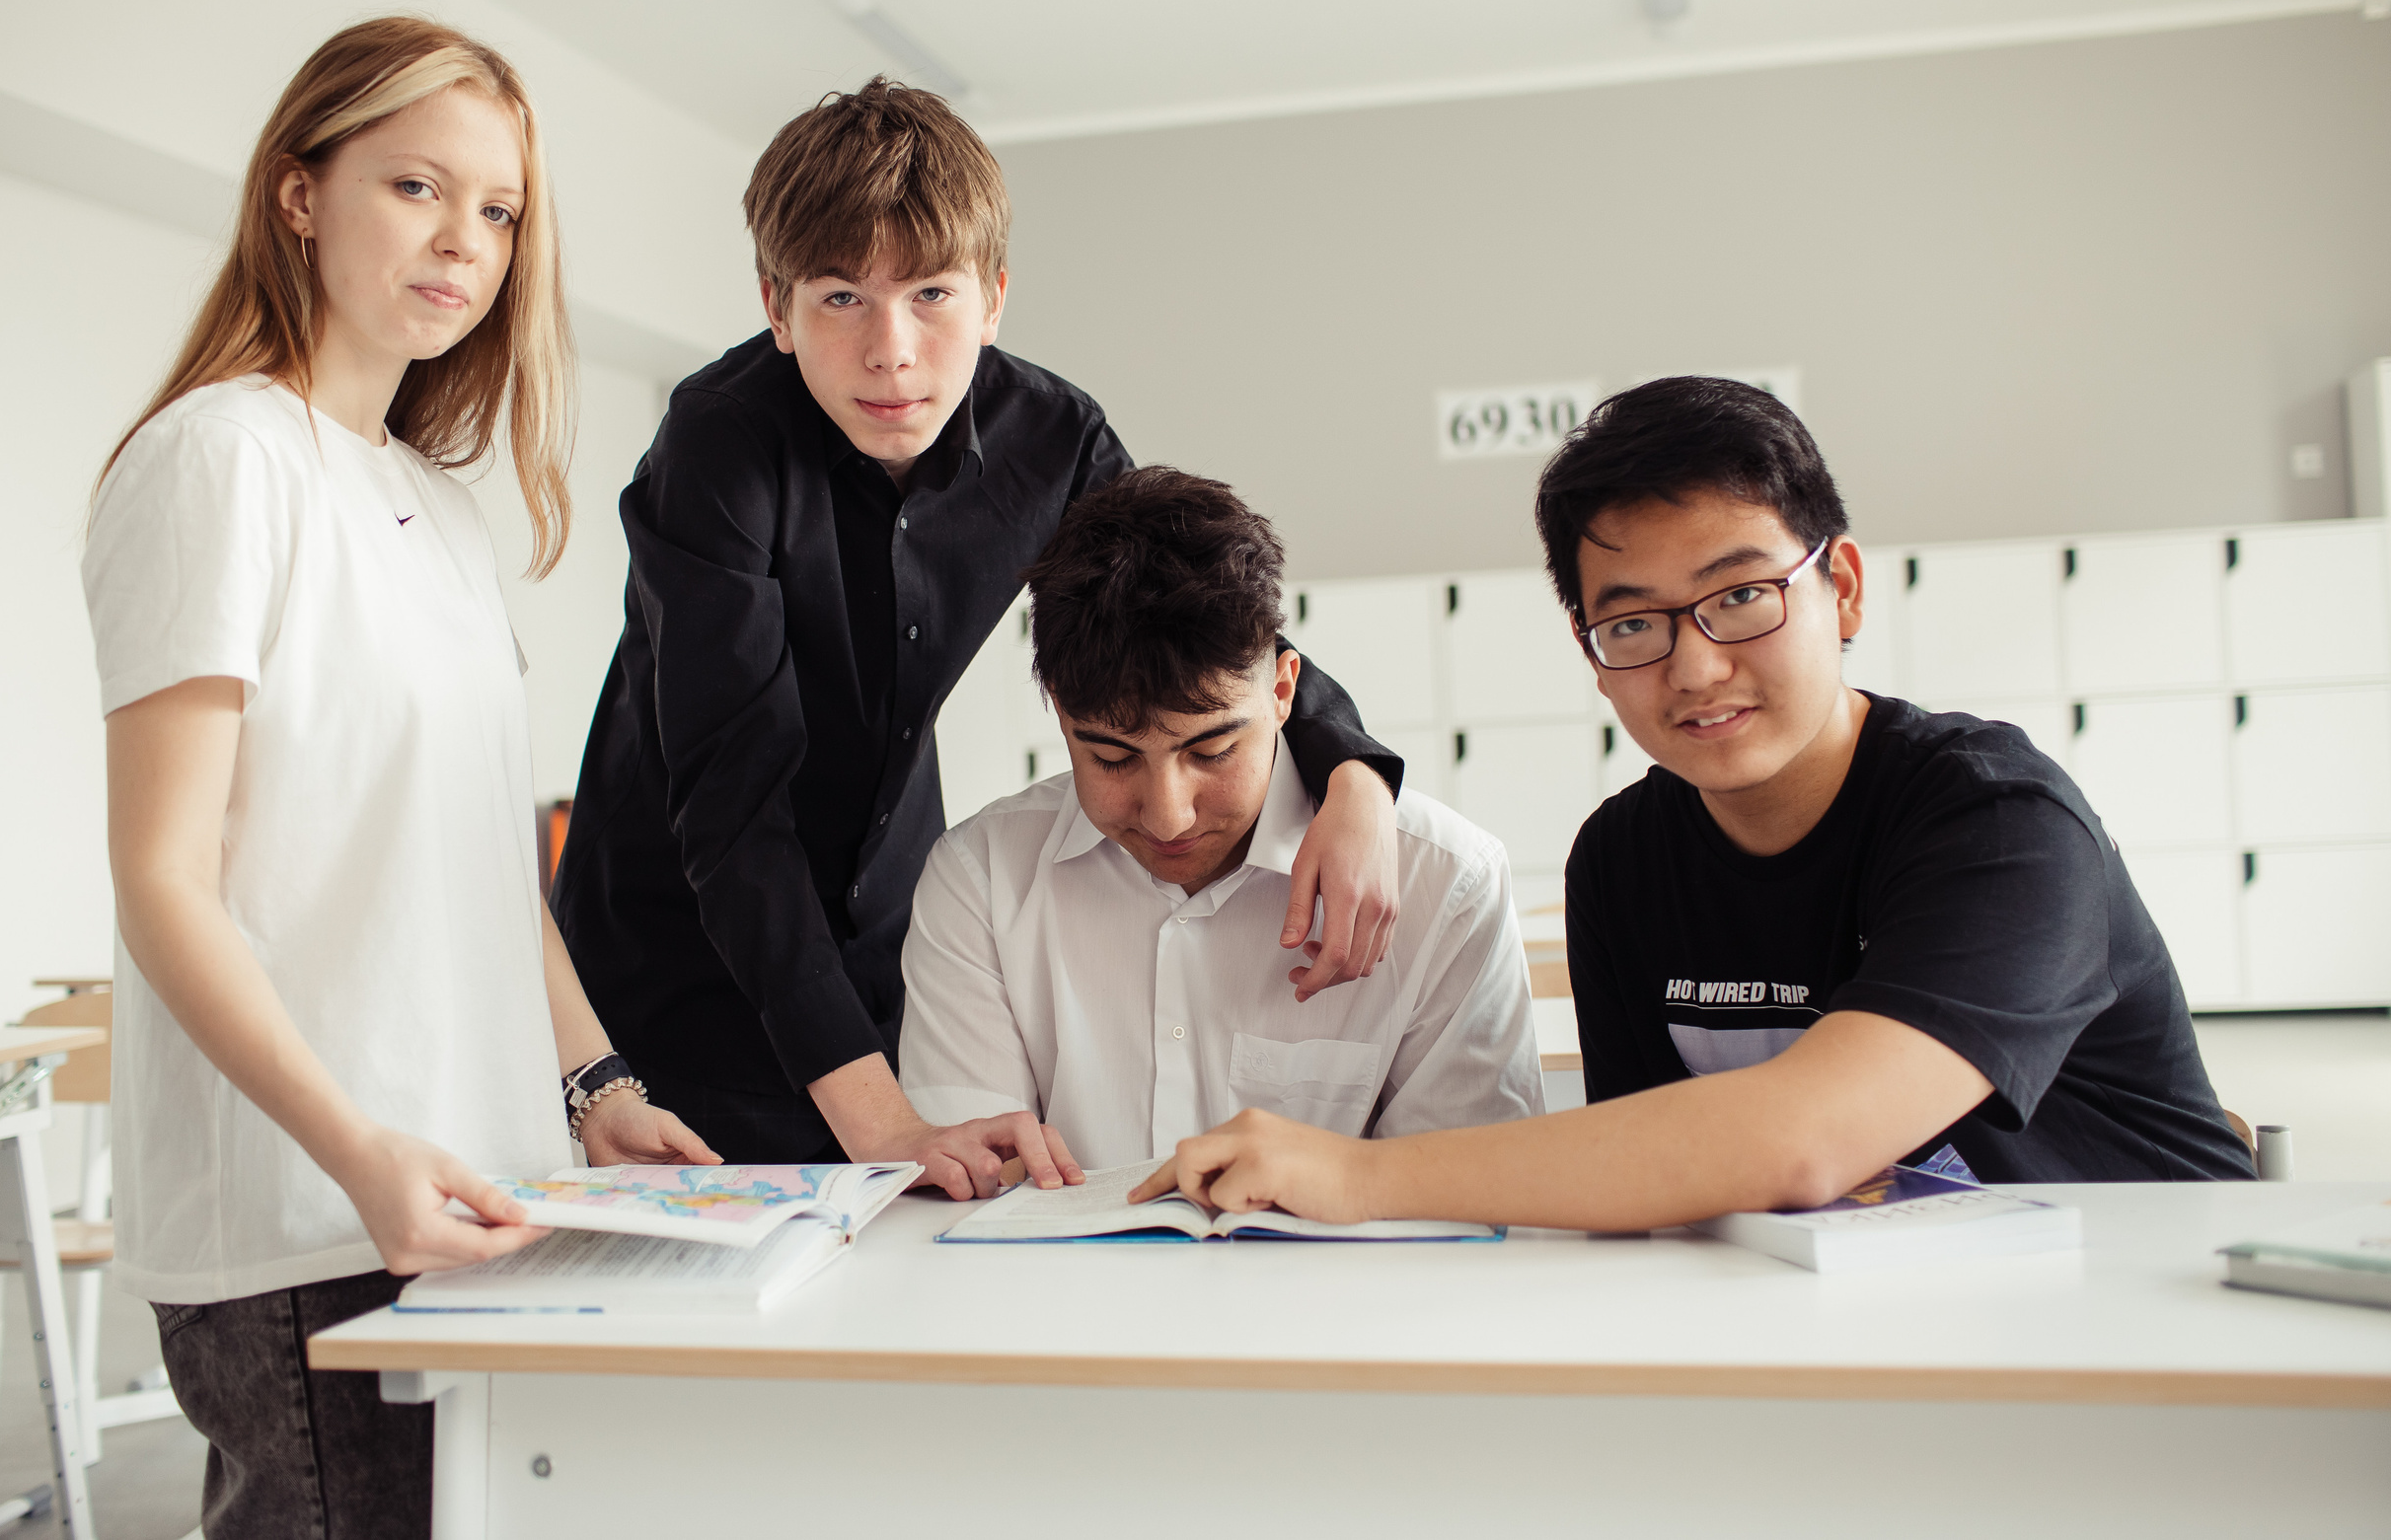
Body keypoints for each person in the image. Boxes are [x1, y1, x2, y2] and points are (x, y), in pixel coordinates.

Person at [85, 18, 714, 1539]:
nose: (464, 241)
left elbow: (490, 867)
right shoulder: (219, 459)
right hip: (314, 1213)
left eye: (498, 211)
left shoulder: (432, 501)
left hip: (479, 1192)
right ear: (299, 191)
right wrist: (360, 1149)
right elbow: (163, 878)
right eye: (418, 187)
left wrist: (600, 1083)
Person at [550, 79, 1406, 1197]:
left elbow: (1200, 619)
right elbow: (734, 802)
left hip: (887, 937)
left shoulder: (1051, 434)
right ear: (776, 303)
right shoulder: (718, 446)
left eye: (932, 295)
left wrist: (1351, 775)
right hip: (679, 950)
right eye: (841, 297)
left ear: (995, 296)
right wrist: (881, 1121)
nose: (890, 352)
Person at [1135, 377, 2254, 1227]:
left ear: (1843, 587)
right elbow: (1661, 1184)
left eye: (1741, 597)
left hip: (2147, 1327)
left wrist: (1356, 1173)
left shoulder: (1997, 820)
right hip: (1861, 1328)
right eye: (1633, 623)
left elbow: (1801, 1142)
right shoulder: (1621, 859)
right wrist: (1736, 1159)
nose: (1695, 666)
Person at [898, 470, 1545, 1170]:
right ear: (1058, 710)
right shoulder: (979, 881)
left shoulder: (1446, 882)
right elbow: (965, 1200)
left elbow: (1470, 1194)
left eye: (1211, 749)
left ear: (1283, 688)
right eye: (1113, 757)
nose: (1169, 814)